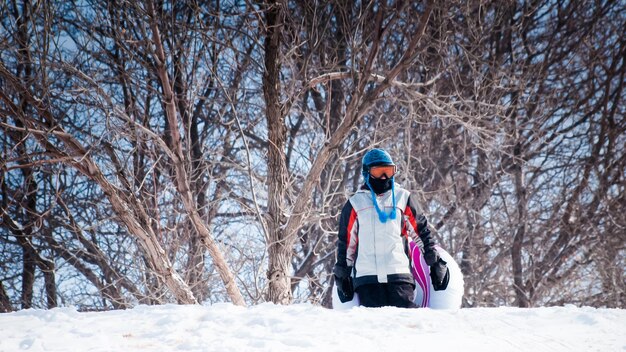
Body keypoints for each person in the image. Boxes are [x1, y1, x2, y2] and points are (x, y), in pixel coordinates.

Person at [334, 148, 449, 308]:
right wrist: (342, 273)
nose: (384, 177)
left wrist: (434, 261)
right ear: (367, 173)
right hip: (368, 278)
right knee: (373, 326)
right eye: (378, 172)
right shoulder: (355, 203)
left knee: (405, 321)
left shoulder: (403, 198)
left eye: (388, 171)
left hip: (399, 276)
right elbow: (347, 243)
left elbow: (421, 232)